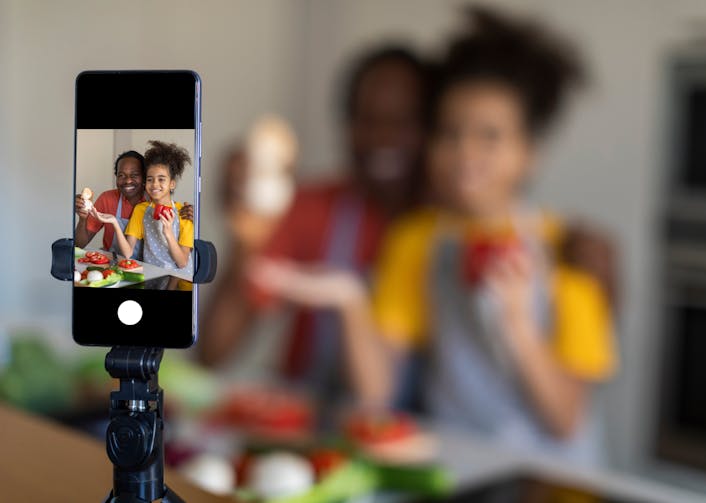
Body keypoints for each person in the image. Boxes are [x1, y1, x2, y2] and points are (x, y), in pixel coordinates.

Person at [256, 7, 618, 465]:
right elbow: (376, 390)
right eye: (450, 133)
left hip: (554, 478)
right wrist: (350, 300)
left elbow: (566, 420)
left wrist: (519, 327)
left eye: (490, 136)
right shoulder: (417, 241)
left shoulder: (570, 253)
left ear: (530, 154)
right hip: (459, 466)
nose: (466, 152)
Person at [198, 46, 431, 397]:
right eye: (368, 120)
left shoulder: (445, 231)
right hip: (313, 426)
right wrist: (245, 238)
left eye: (402, 123)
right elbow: (213, 354)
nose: (383, 138)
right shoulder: (310, 209)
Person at [94, 141, 194, 275]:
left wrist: (168, 233)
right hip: (152, 275)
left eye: (161, 179)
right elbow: (128, 252)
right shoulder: (141, 210)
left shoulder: (184, 213)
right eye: (150, 179)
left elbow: (182, 263)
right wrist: (114, 222)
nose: (154, 184)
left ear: (172, 184)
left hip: (180, 279)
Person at [74, 150, 193, 257]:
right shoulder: (107, 199)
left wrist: (190, 220)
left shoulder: (156, 203)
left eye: (135, 175)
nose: (128, 180)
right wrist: (82, 219)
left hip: (149, 268)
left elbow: (182, 256)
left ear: (144, 178)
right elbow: (79, 244)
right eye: (121, 175)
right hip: (114, 263)